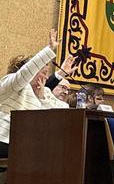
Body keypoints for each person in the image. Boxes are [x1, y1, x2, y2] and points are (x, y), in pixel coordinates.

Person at [0, 30, 71, 158]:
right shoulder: (11, 82)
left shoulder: (44, 92)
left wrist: (42, 98)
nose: (46, 76)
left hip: (26, 143)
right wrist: (49, 50)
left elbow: (63, 113)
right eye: (43, 72)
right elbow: (25, 73)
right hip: (4, 140)